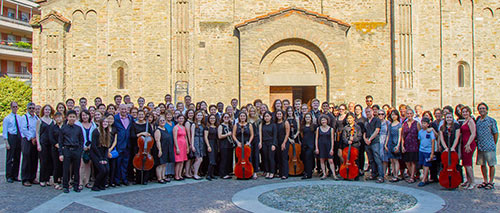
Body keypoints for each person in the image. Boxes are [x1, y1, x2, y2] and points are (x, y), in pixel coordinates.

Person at [58, 110, 84, 193]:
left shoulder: (78, 128)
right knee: (66, 169)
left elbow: (81, 141)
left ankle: (76, 185)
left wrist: (80, 150)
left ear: (76, 118)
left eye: (73, 117)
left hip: (76, 150)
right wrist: (61, 153)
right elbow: (60, 142)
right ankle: (65, 186)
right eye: (70, 117)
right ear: (67, 118)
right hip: (67, 149)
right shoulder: (63, 128)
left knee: (76, 169)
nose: (72, 118)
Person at [475, 103, 497, 190]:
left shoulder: (491, 120)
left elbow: (495, 133)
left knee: (491, 164)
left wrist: (493, 143)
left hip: (489, 146)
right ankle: (485, 180)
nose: (482, 110)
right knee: (482, 164)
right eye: (480, 108)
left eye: (483, 108)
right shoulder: (478, 121)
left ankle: (491, 182)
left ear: (486, 110)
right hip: (481, 146)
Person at [130, 110, 154, 185]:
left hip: (147, 147)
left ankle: (145, 179)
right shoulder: (134, 125)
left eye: (142, 114)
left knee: (146, 161)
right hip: (137, 146)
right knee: (138, 162)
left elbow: (151, 135)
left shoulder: (148, 124)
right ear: (137, 115)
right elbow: (132, 136)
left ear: (144, 116)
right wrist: (141, 134)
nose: (141, 116)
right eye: (139, 114)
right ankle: (137, 179)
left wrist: (148, 135)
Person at [113, 104, 133, 186]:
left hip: (128, 144)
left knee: (125, 163)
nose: (124, 111)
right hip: (119, 144)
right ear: (119, 109)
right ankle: (117, 180)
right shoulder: (115, 118)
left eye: (125, 109)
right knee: (118, 163)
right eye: (122, 109)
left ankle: (124, 179)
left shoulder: (130, 118)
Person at [20, 102, 39, 187]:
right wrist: (31, 137)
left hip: (35, 140)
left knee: (34, 159)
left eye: (33, 108)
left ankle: (32, 177)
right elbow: (24, 129)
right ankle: (25, 178)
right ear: (27, 109)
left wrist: (35, 138)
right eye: (30, 108)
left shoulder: (36, 118)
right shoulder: (24, 118)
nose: (32, 110)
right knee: (27, 158)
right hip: (27, 140)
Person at [3, 102, 23, 183]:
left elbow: (21, 129)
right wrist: (6, 142)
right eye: (14, 107)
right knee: (10, 157)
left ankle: (15, 175)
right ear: (11, 107)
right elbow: (5, 131)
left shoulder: (19, 117)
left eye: (16, 107)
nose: (15, 108)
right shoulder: (7, 118)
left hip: (18, 137)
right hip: (11, 137)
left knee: (17, 157)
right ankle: (9, 176)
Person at [458, 106, 477, 189]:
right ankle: (468, 180)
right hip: (464, 143)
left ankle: (472, 182)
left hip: (469, 144)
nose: (465, 113)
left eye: (466, 112)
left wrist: (468, 143)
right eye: (463, 112)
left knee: (468, 164)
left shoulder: (470, 121)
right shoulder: (465, 121)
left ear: (469, 112)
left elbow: (473, 133)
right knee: (465, 163)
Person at [90, 117, 111, 191]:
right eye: (103, 122)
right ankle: (96, 185)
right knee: (102, 170)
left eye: (106, 122)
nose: (105, 123)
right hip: (96, 153)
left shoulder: (107, 132)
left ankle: (102, 185)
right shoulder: (96, 131)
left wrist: (105, 158)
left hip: (103, 153)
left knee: (107, 170)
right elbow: (94, 146)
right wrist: (100, 158)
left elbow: (106, 147)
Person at [363, 107, 384, 183]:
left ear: (372, 112)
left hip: (374, 142)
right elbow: (364, 131)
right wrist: (365, 139)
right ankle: (373, 174)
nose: (368, 113)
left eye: (369, 112)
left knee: (377, 159)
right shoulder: (365, 121)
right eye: (366, 112)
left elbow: (377, 130)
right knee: (370, 159)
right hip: (367, 143)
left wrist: (370, 139)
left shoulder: (376, 120)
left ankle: (381, 176)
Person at [36, 105, 54, 187]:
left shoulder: (52, 121)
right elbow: (37, 133)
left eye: (49, 110)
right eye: (46, 109)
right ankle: (42, 179)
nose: (47, 111)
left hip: (50, 143)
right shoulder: (40, 120)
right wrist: (38, 144)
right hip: (43, 143)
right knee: (43, 161)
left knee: (49, 161)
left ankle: (47, 179)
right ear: (43, 110)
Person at [341, 113, 363, 180]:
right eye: (348, 118)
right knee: (347, 160)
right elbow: (343, 137)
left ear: (353, 118)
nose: (349, 119)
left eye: (350, 118)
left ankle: (356, 175)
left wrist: (353, 139)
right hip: (347, 146)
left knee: (355, 161)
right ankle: (347, 174)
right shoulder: (345, 128)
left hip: (355, 146)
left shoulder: (357, 127)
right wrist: (347, 141)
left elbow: (359, 137)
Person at [315, 115, 338, 180]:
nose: (323, 121)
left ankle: (334, 174)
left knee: (330, 160)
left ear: (327, 121)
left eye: (324, 120)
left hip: (328, 146)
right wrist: (316, 148)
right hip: (321, 146)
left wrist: (332, 149)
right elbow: (316, 139)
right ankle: (324, 174)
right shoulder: (318, 129)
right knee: (322, 160)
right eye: (322, 120)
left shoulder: (331, 129)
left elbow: (332, 139)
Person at [401, 109, 421, 183]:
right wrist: (402, 146)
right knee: (407, 161)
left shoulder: (417, 123)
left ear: (413, 114)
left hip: (414, 144)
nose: (409, 115)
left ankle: (412, 176)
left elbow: (420, 134)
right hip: (407, 144)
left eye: (410, 113)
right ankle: (412, 174)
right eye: (408, 113)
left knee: (413, 161)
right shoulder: (404, 124)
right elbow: (403, 136)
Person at [232, 111, 254, 178]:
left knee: (248, 159)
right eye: (241, 116)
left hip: (246, 144)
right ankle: (239, 173)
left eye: (244, 116)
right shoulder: (236, 125)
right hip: (239, 144)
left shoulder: (249, 125)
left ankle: (248, 172)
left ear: (246, 117)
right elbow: (233, 135)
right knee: (238, 159)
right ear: (239, 117)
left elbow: (252, 135)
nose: (242, 117)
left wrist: (249, 142)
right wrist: (237, 142)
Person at [155, 115, 175, 184]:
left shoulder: (164, 129)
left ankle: (163, 176)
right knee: (160, 164)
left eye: (163, 120)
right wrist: (159, 150)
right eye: (161, 121)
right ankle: (159, 178)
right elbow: (157, 141)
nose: (162, 122)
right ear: (158, 122)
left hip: (166, 148)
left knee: (164, 164)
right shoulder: (158, 130)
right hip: (161, 148)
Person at [417, 118, 435, 187]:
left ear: (428, 124)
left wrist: (432, 153)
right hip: (422, 150)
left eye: (425, 123)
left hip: (428, 151)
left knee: (426, 165)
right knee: (423, 165)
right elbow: (420, 140)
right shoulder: (420, 132)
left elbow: (433, 142)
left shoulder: (430, 132)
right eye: (422, 123)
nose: (423, 124)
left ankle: (423, 180)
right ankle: (426, 178)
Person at [386, 110, 403, 182]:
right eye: (392, 115)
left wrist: (398, 145)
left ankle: (396, 175)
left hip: (396, 142)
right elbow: (388, 134)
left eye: (395, 115)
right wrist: (386, 144)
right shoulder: (390, 124)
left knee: (396, 160)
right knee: (392, 160)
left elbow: (400, 136)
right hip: (390, 142)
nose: (393, 116)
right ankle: (393, 174)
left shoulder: (399, 125)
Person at [50, 112, 64, 190]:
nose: (59, 119)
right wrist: (56, 144)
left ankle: (62, 180)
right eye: (57, 117)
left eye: (60, 117)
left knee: (63, 165)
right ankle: (56, 182)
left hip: (64, 148)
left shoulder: (65, 127)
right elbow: (51, 137)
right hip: (55, 148)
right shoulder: (53, 127)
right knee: (56, 165)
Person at [260, 111, 277, 179]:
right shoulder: (262, 125)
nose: (266, 118)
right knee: (265, 158)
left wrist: (274, 144)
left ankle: (272, 172)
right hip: (264, 143)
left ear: (270, 117)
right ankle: (267, 171)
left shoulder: (273, 125)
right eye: (265, 116)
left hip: (271, 143)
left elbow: (275, 135)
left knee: (271, 158)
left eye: (267, 116)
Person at [274, 110, 290, 179]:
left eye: (280, 114)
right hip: (277, 142)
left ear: (282, 115)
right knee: (279, 158)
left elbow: (287, 133)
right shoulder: (275, 123)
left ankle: (285, 174)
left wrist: (284, 143)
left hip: (284, 141)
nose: (279, 115)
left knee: (284, 158)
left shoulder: (285, 122)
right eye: (277, 114)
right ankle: (280, 173)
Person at [191, 111, 206, 180]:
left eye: (201, 115)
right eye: (198, 115)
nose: (199, 116)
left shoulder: (202, 125)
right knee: (198, 159)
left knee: (200, 158)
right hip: (196, 141)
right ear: (196, 116)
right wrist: (192, 145)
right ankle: (195, 173)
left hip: (201, 142)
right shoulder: (194, 124)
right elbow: (192, 135)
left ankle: (194, 170)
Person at [300, 113, 315, 179]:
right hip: (304, 144)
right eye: (306, 117)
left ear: (311, 118)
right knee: (304, 159)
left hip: (311, 144)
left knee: (309, 159)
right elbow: (301, 135)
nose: (307, 119)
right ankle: (305, 171)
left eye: (309, 117)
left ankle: (309, 174)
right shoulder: (303, 126)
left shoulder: (314, 126)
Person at [173, 115, 188, 180]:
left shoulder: (183, 127)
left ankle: (180, 174)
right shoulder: (176, 127)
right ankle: (176, 175)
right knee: (178, 161)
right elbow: (175, 138)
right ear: (177, 119)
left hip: (184, 145)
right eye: (180, 118)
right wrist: (177, 147)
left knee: (182, 161)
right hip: (178, 145)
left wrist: (187, 147)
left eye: (182, 118)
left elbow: (185, 137)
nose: (181, 120)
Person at [248, 106, 261, 179]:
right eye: (251, 111)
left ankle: (255, 172)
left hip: (256, 139)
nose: (252, 112)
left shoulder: (258, 120)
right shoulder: (247, 120)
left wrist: (260, 142)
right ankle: (250, 171)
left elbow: (260, 131)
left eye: (253, 111)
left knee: (256, 155)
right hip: (249, 139)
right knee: (249, 156)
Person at [204, 114, 218, 180]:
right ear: (209, 119)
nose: (212, 120)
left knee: (214, 159)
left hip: (216, 143)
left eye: (213, 118)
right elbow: (205, 137)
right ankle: (208, 174)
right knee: (211, 160)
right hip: (210, 143)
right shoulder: (207, 127)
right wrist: (208, 146)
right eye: (211, 118)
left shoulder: (216, 127)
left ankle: (212, 174)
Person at [378, 109, 390, 179]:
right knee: (379, 157)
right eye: (379, 114)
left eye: (382, 114)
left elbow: (388, 133)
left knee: (384, 157)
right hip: (378, 140)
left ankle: (384, 172)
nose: (380, 115)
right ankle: (380, 172)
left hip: (385, 139)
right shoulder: (376, 122)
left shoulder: (387, 123)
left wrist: (386, 143)